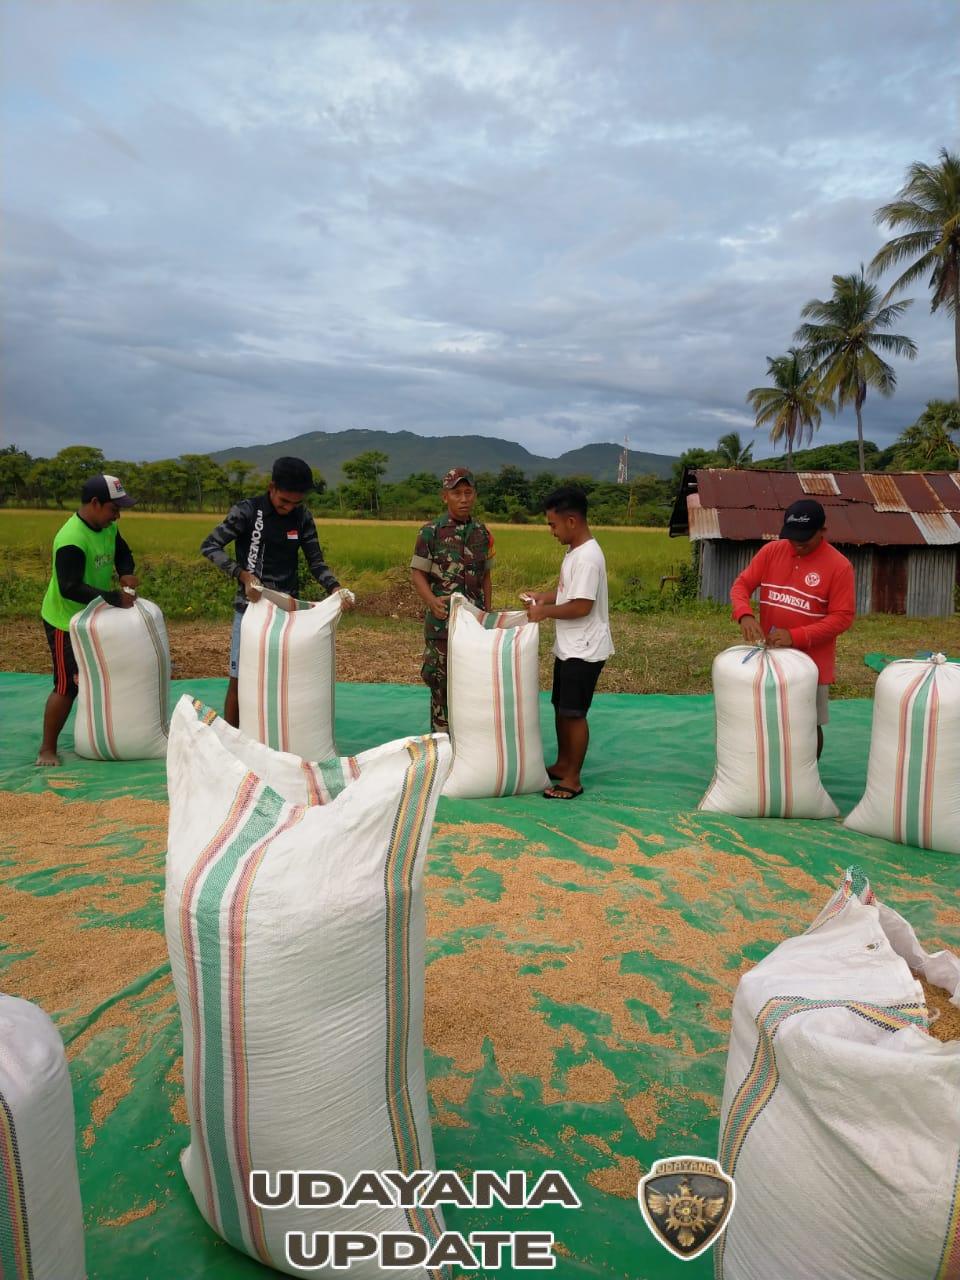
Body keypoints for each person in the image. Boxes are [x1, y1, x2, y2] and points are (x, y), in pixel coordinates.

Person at [201, 455, 352, 727]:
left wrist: (335, 588)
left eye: (296, 502)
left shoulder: (302, 517)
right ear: (272, 488)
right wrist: (243, 575)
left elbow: (316, 562)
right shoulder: (247, 512)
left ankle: (281, 736)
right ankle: (234, 741)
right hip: (249, 610)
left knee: (286, 678)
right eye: (284, 501)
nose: (288, 508)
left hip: (286, 612)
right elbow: (210, 546)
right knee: (240, 678)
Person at [730, 498, 855, 758]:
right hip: (770, 657)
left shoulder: (839, 566)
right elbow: (741, 586)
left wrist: (796, 636)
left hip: (812, 662)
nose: (798, 544)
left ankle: (807, 774)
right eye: (793, 538)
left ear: (823, 532)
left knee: (809, 723)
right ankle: (769, 768)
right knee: (767, 715)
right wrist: (745, 615)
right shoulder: (771, 552)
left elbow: (842, 617)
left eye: (805, 539)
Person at [37, 474, 139, 766]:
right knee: (67, 684)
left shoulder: (108, 526)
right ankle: (47, 749)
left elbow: (122, 551)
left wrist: (125, 571)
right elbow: (70, 587)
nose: (118, 515)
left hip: (93, 616)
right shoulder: (71, 539)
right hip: (65, 621)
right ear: (95, 503)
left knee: (98, 677)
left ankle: (103, 734)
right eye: (113, 508)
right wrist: (112, 598)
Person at [524, 485, 614, 800]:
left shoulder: (588, 557)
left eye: (553, 524)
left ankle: (572, 779)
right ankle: (563, 764)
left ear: (572, 521)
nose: (551, 531)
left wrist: (544, 612)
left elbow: (581, 606)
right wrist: (543, 597)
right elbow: (568, 595)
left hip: (585, 649)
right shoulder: (575, 552)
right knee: (561, 708)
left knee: (574, 713)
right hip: (570, 646)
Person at [410, 467, 494, 733]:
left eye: (468, 492)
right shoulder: (430, 532)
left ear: (475, 495)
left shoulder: (483, 532)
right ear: (444, 496)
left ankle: (469, 740)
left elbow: (486, 577)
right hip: (442, 626)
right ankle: (442, 745)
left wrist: (487, 614)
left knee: (472, 680)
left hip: (474, 625)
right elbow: (417, 573)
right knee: (440, 683)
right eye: (456, 493)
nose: (463, 498)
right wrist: (431, 601)